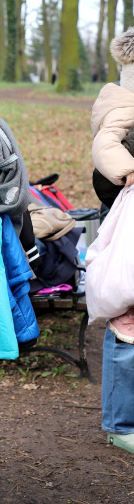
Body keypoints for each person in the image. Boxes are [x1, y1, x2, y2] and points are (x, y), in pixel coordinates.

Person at [90, 27, 134, 453]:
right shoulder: (122, 98)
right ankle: (119, 422)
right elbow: (106, 143)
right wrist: (129, 172)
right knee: (125, 315)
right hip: (127, 218)